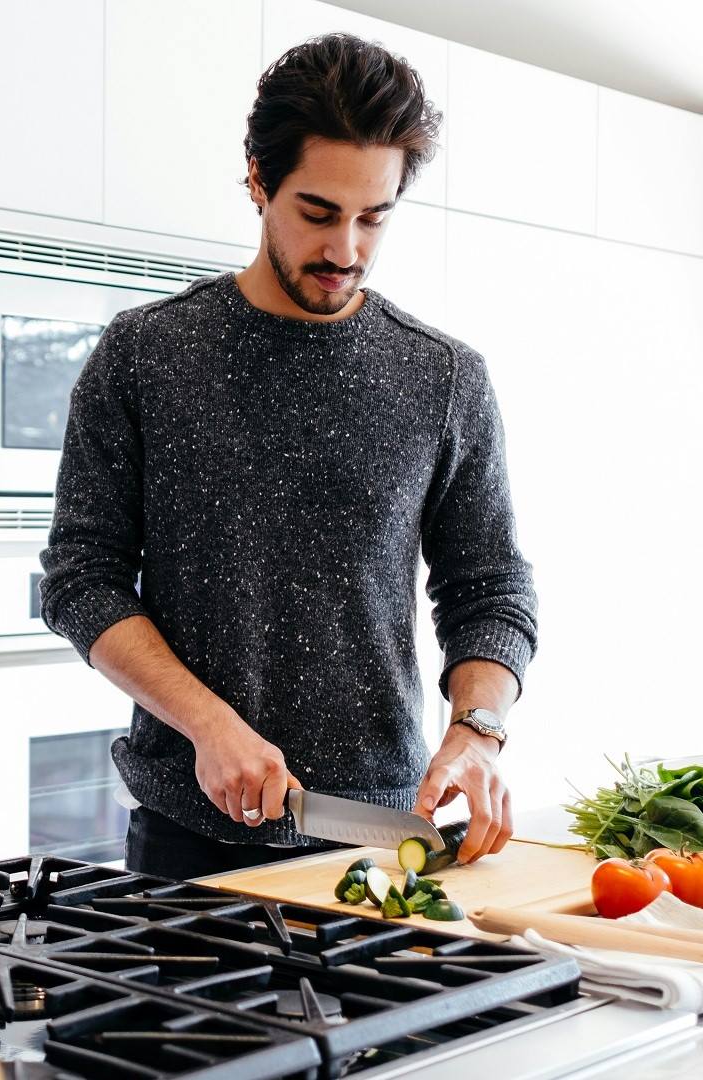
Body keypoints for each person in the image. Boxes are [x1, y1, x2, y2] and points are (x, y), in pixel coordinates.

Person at [37, 33, 536, 882]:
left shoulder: (445, 377)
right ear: (259, 181)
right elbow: (81, 580)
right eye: (318, 212)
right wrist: (207, 724)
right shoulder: (146, 354)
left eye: (373, 216)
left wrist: (478, 729)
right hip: (187, 842)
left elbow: (490, 587)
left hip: (383, 835)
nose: (346, 248)